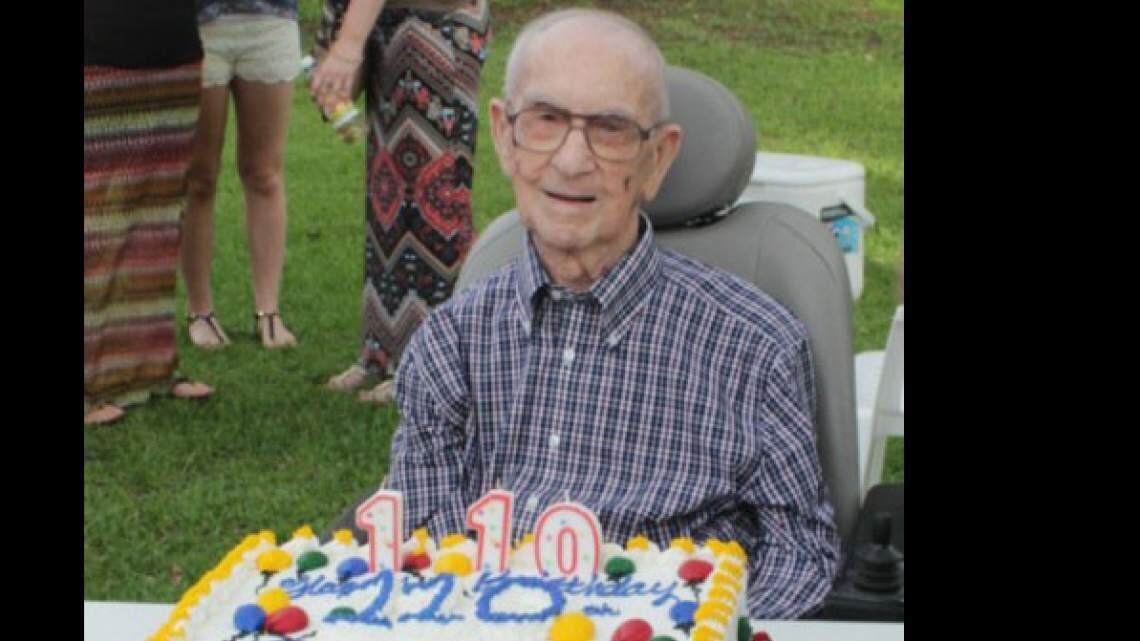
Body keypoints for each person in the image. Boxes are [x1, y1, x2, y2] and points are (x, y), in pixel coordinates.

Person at [377, 9, 843, 618]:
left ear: (658, 157)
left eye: (611, 130)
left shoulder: (754, 343)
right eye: (544, 120)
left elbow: (799, 551)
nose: (571, 160)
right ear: (502, 136)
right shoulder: (450, 346)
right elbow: (422, 543)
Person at [310, 0, 491, 403]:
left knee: (434, 195)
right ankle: (381, 349)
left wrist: (346, 47)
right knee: (389, 191)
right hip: (386, 24)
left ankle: (430, 359)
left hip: (435, 24)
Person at [85, 0, 214, 426]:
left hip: (174, 51)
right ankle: (91, 382)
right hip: (100, 50)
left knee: (157, 219)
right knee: (97, 222)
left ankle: (151, 368)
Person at [180, 0, 301, 350]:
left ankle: (269, 311)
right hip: (199, 24)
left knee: (264, 174)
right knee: (200, 179)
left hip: (270, 20)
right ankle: (200, 311)